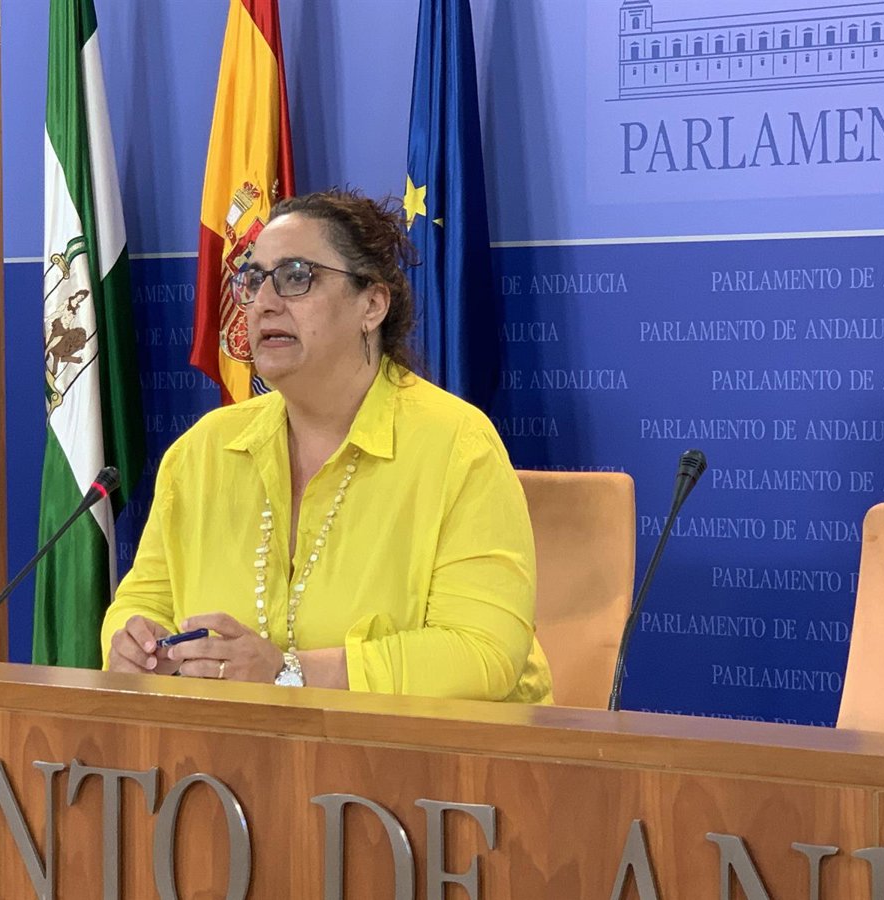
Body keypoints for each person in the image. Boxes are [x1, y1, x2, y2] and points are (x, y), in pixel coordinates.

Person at [102, 189, 552, 703]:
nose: (264, 303)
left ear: (372, 304)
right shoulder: (202, 451)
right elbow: (144, 600)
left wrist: (288, 672)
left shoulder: (457, 446)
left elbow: (481, 654)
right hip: (232, 749)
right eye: (254, 280)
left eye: (297, 277)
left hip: (418, 751)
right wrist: (136, 645)